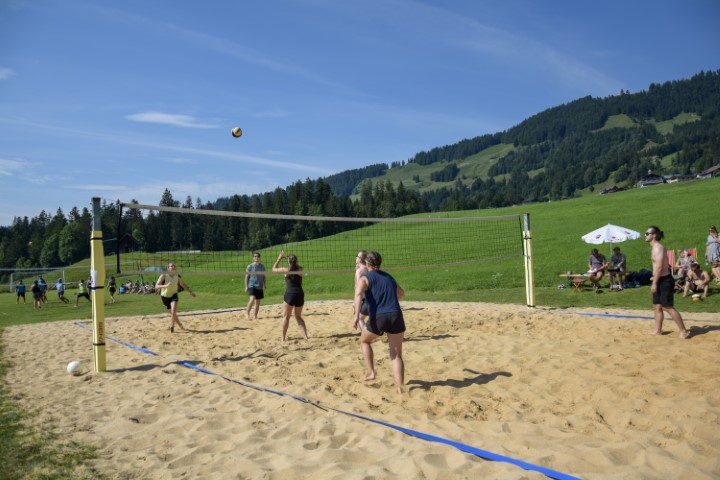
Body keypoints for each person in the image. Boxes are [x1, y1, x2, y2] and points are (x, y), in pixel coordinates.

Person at [353, 251, 406, 395]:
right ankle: (400, 388)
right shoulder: (389, 277)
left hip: (379, 317)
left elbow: (358, 295)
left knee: (364, 341)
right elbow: (401, 294)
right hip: (396, 315)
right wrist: (388, 297)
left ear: (367, 263)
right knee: (396, 355)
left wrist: (356, 315)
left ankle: (371, 372)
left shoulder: (365, 278)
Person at [645, 226, 690, 339]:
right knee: (657, 306)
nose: (645, 235)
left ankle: (683, 331)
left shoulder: (658, 248)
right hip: (659, 279)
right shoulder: (654, 247)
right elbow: (659, 266)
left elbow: (660, 267)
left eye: (647, 233)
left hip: (664, 280)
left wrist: (654, 283)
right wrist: (655, 277)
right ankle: (658, 330)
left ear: (654, 235)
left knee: (667, 306)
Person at [272, 250, 308, 341]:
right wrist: (289, 258)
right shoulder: (300, 269)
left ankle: (283, 338)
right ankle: (305, 337)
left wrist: (279, 258)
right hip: (299, 294)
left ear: (289, 261)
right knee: (298, 317)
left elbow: (273, 269)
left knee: (286, 317)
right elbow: (294, 266)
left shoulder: (286, 270)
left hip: (290, 295)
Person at [155, 263, 196, 333]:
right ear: (168, 268)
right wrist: (165, 286)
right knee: (173, 314)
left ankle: (172, 326)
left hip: (174, 295)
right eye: (171, 266)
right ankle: (180, 325)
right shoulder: (164, 275)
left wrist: (190, 292)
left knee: (173, 311)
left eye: (174, 266)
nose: (173, 267)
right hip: (164, 296)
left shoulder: (177, 275)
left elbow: (183, 284)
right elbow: (156, 286)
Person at [245, 252, 266, 320]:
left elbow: (264, 276)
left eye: (258, 256)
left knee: (258, 302)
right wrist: (246, 286)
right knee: (252, 299)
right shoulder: (250, 266)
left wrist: (264, 284)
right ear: (253, 258)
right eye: (255, 256)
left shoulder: (262, 266)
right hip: (252, 285)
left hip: (259, 286)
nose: (256, 257)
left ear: (259, 258)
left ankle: (255, 316)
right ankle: (247, 314)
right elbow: (246, 277)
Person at [352, 250, 369, 330]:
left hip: (368, 298)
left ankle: (365, 334)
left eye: (357, 256)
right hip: (375, 297)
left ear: (360, 259)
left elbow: (358, 289)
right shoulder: (368, 268)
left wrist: (355, 302)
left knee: (359, 318)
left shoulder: (360, 271)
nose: (356, 257)